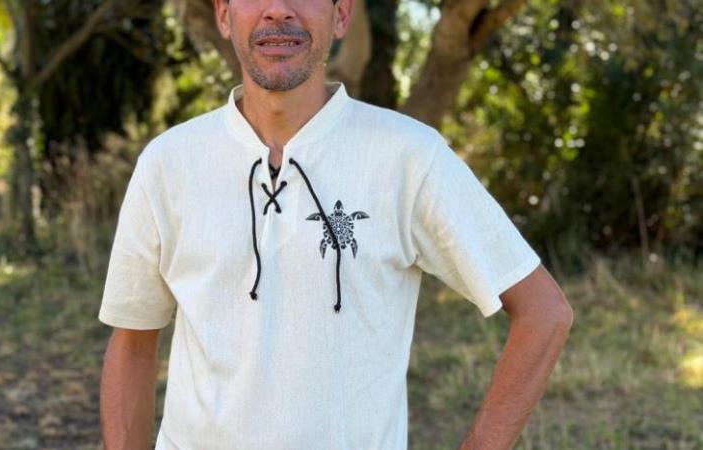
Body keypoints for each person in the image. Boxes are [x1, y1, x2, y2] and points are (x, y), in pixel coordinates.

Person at [97, 0, 575, 449]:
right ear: (223, 14)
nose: (278, 9)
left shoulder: (408, 156)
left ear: (342, 13)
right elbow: (133, 340)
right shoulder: (168, 162)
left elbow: (544, 313)